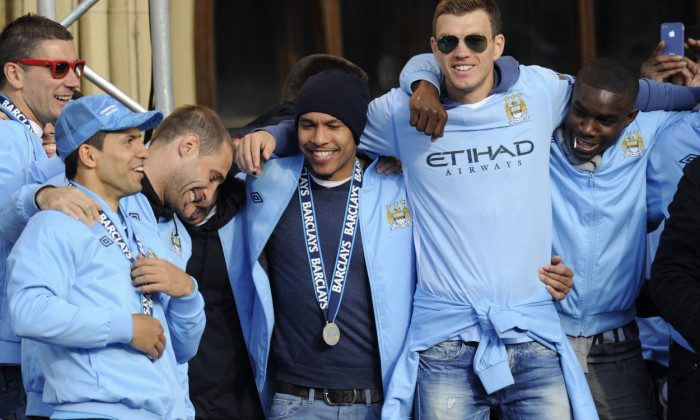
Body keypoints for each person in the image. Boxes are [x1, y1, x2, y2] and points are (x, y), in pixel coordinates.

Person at [235, 1, 597, 418]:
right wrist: (270, 135)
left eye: (475, 40)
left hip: (530, 331)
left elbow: (611, 97)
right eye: (448, 42)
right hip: (444, 343)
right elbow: (328, 123)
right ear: (434, 47)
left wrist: (690, 96)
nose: (462, 52)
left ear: (498, 45)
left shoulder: (538, 91)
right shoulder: (399, 115)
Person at [6, 94, 206, 419]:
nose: (143, 151)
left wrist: (188, 294)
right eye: (128, 141)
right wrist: (125, 328)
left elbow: (181, 350)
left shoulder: (140, 230)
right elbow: (28, 311)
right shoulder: (55, 221)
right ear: (89, 154)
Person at [231, 70, 417, 419]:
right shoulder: (267, 181)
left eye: (334, 125)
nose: (319, 139)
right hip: (295, 401)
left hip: (381, 400)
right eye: (307, 125)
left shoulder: (397, 186)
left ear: (357, 131)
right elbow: (206, 165)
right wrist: (270, 134)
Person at [0, 14, 100, 419]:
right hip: (11, 353)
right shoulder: (6, 133)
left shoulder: (28, 132)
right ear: (15, 74)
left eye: (76, 67)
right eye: (59, 68)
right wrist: (43, 192)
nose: (74, 81)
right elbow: (5, 209)